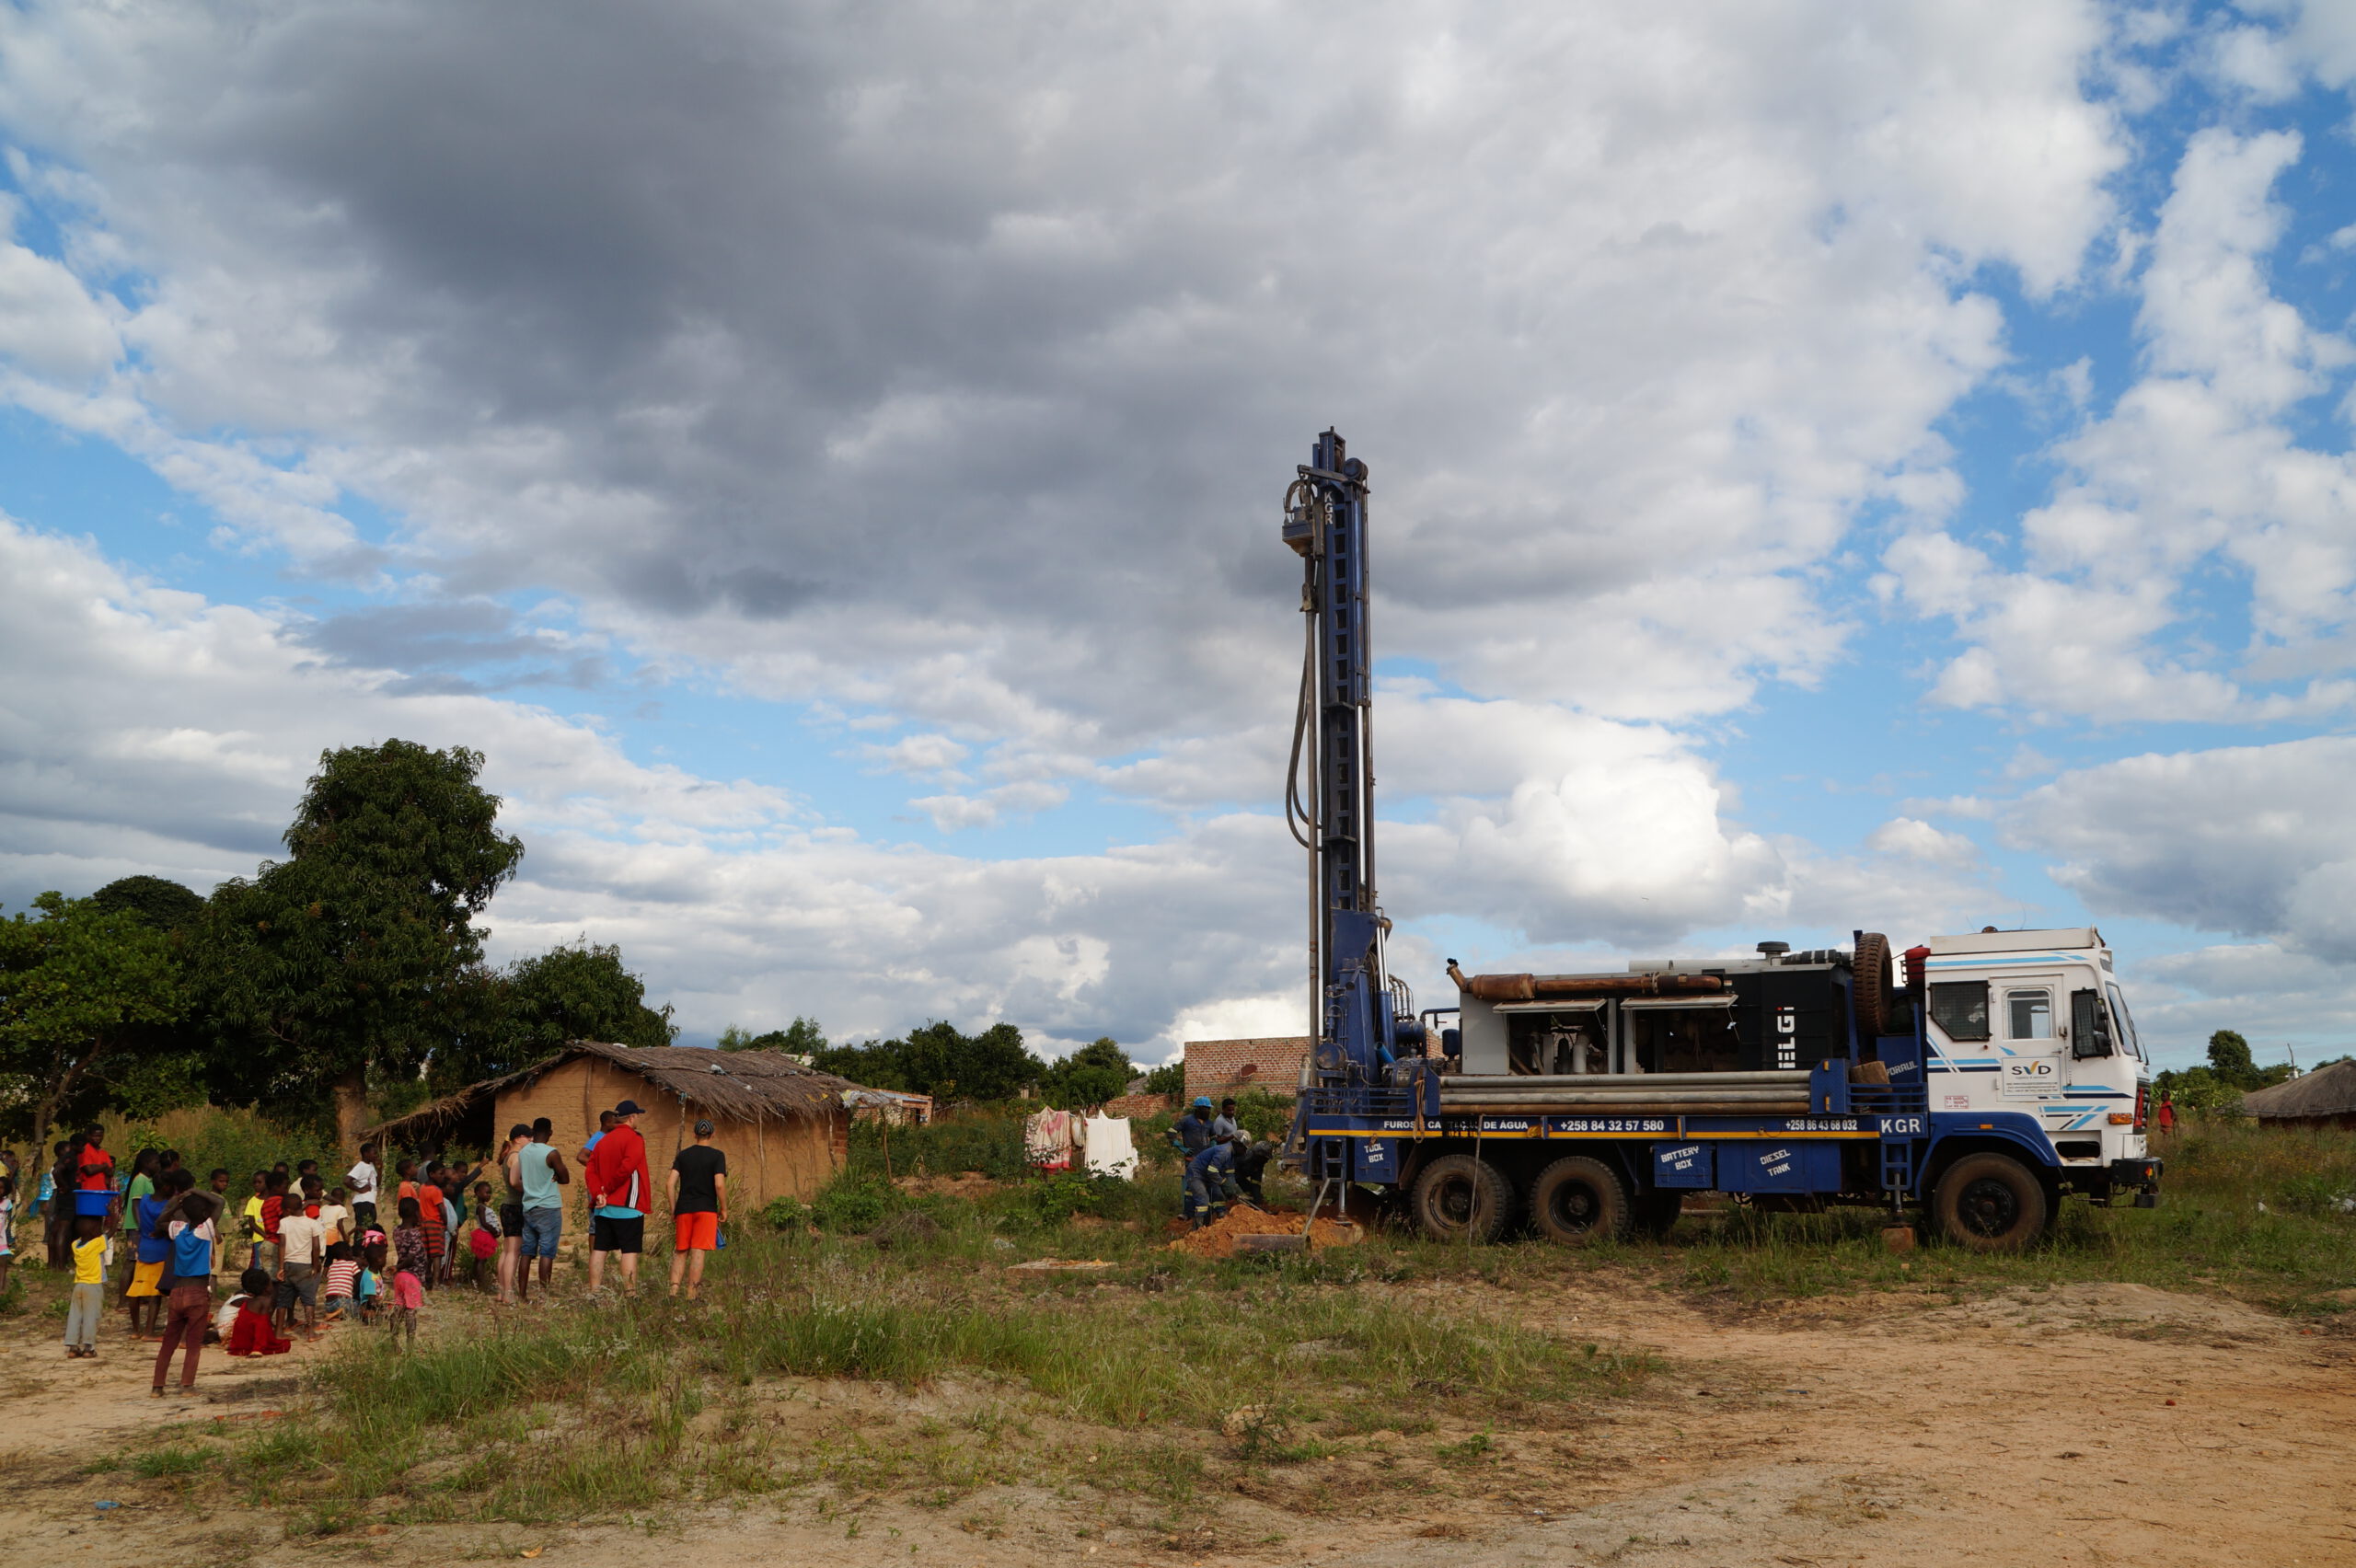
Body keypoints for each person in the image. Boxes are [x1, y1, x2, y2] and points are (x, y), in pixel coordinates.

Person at [151, 1190, 217, 1396]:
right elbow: (220, 1202)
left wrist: (174, 1203)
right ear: (205, 1213)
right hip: (197, 1291)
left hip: (177, 1290)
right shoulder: (205, 1228)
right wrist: (195, 1191)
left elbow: (160, 1222)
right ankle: (187, 1385)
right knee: (193, 1343)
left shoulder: (178, 1228)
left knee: (168, 1342)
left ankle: (157, 1387)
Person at [583, 1100, 652, 1296]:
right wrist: (607, 1190)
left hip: (604, 1206)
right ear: (631, 1118)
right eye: (637, 1115)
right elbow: (627, 1168)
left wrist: (598, 1194)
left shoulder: (603, 1141)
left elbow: (590, 1171)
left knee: (600, 1249)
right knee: (629, 1250)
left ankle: (594, 1293)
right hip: (628, 1204)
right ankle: (630, 1294)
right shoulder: (635, 1139)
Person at [667, 1119, 728, 1300]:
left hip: (684, 1208)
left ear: (694, 1135)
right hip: (706, 1209)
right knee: (698, 1250)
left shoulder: (683, 1156)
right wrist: (724, 1208)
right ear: (713, 1135)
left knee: (681, 1251)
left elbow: (670, 1183)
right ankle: (691, 1295)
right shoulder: (717, 1156)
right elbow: (719, 1184)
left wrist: (673, 1209)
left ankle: (673, 1292)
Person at [513, 1119, 570, 1303]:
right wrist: (555, 1175)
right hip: (549, 1207)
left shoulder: (524, 1152)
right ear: (550, 1133)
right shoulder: (551, 1153)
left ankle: (522, 1295)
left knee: (527, 1252)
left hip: (529, 1206)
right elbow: (565, 1178)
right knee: (547, 1252)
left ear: (533, 1131)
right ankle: (543, 1296)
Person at [124, 1169, 174, 1337]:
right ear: (167, 1187)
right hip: (161, 1250)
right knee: (155, 1294)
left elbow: (134, 1205)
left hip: (144, 1247)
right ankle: (149, 1331)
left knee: (136, 1290)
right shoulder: (167, 1205)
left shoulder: (145, 1200)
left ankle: (136, 1329)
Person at [277, 1187, 324, 1337]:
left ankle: (279, 1331)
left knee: (283, 1300)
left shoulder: (284, 1222)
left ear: (288, 1209)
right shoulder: (312, 1223)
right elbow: (316, 1246)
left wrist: (280, 1267)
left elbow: (282, 1244)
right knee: (308, 1299)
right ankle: (310, 1332)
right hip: (305, 1265)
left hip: (288, 1264)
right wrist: (315, 1265)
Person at [492, 1124, 530, 1304]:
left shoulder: (508, 1155)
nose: (530, 1140)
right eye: (527, 1137)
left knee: (507, 1251)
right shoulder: (516, 1157)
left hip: (508, 1205)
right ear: (517, 1139)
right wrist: (533, 1189)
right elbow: (516, 1183)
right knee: (513, 1252)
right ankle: (508, 1292)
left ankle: (502, 1291)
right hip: (515, 1206)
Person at [65, 1213, 108, 1357]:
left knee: (75, 1316)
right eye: (97, 1228)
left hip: (79, 1285)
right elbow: (111, 1232)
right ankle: (88, 1348)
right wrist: (113, 1214)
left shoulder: (75, 1245)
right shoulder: (96, 1244)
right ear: (92, 1232)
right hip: (93, 1286)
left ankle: (72, 1347)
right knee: (91, 1316)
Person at [226, 1266, 292, 1357]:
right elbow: (261, 1325)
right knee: (286, 1344)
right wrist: (257, 1349)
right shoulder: (265, 1301)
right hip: (254, 1344)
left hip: (240, 1345)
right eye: (270, 1284)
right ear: (266, 1288)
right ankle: (257, 1349)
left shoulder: (247, 1301)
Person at [389, 1199, 427, 1350]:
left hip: (400, 1277)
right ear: (416, 1213)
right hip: (412, 1276)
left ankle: (393, 1341)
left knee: (398, 1308)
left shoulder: (396, 1231)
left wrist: (398, 1268)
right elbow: (411, 1258)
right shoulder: (415, 1234)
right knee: (411, 1311)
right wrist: (398, 1266)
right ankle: (410, 1344)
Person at [1183, 1138, 1237, 1228]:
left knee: (1219, 1196)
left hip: (1208, 1176)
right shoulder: (1224, 1152)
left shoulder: (1231, 1155)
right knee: (1203, 1199)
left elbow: (1229, 1174)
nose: (1245, 1151)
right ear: (1238, 1145)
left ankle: (1220, 1220)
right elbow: (1212, 1171)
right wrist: (1223, 1183)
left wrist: (1233, 1188)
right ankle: (1197, 1229)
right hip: (1196, 1174)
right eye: (1244, 1148)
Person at [466, 1181, 499, 1290]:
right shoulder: (481, 1207)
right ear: (478, 1193)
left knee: (479, 1259)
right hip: (485, 1235)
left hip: (485, 1234)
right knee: (481, 1259)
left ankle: (475, 1280)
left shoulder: (482, 1206)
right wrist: (494, 1231)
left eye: (490, 1193)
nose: (488, 1195)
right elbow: (484, 1222)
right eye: (486, 1193)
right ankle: (480, 1283)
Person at [320, 1242, 360, 1320]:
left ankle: (335, 1314)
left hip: (328, 1305)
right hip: (341, 1302)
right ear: (347, 1252)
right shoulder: (352, 1264)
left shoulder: (332, 1266)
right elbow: (359, 1280)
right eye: (351, 1251)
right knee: (359, 1306)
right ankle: (340, 1312)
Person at [348, 1142, 381, 1231]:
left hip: (369, 1201)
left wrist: (380, 1168)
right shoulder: (361, 1166)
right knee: (362, 1227)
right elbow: (346, 1180)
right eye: (374, 1153)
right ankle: (358, 1245)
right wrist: (360, 1190)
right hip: (363, 1201)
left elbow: (376, 1183)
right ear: (366, 1154)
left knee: (370, 1227)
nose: (376, 1155)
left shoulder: (371, 1165)